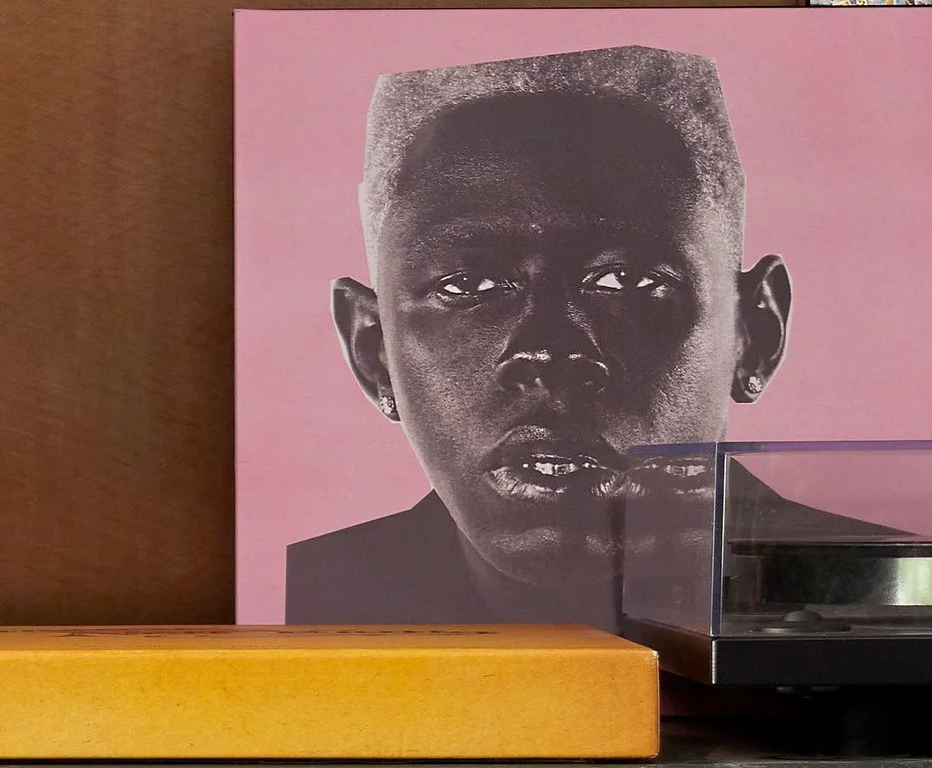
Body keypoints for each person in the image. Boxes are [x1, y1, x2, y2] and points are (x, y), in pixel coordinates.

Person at [286, 47, 808, 624]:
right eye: (466, 286)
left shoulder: (893, 594)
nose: (548, 351)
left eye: (625, 280)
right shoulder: (303, 610)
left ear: (753, 332)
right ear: (373, 351)